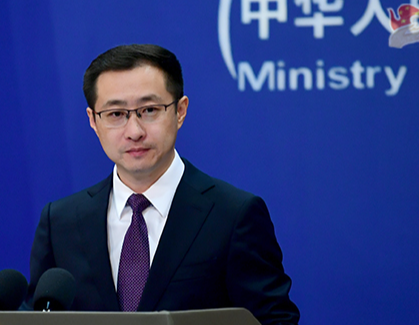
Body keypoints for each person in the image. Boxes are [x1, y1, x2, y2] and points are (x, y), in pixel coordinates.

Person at [23, 44, 300, 325]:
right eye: (116, 114)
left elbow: (275, 321)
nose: (134, 132)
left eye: (150, 110)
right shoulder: (61, 222)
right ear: (93, 121)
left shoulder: (233, 215)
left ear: (180, 111)